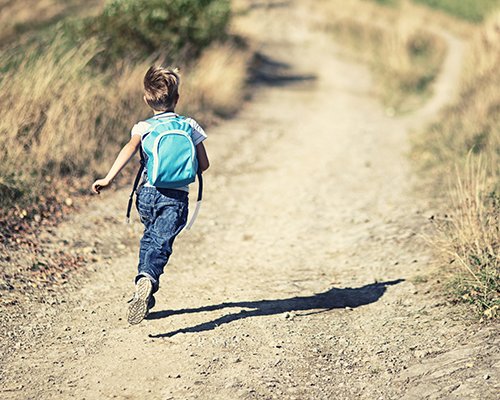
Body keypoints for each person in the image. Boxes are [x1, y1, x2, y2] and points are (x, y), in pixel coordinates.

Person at [92, 66, 209, 325]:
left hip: (146, 193)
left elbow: (129, 149)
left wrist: (108, 178)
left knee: (150, 238)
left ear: (146, 100)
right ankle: (147, 279)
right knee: (159, 244)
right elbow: (204, 165)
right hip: (175, 198)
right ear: (177, 99)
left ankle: (143, 289)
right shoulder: (189, 125)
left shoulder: (143, 126)